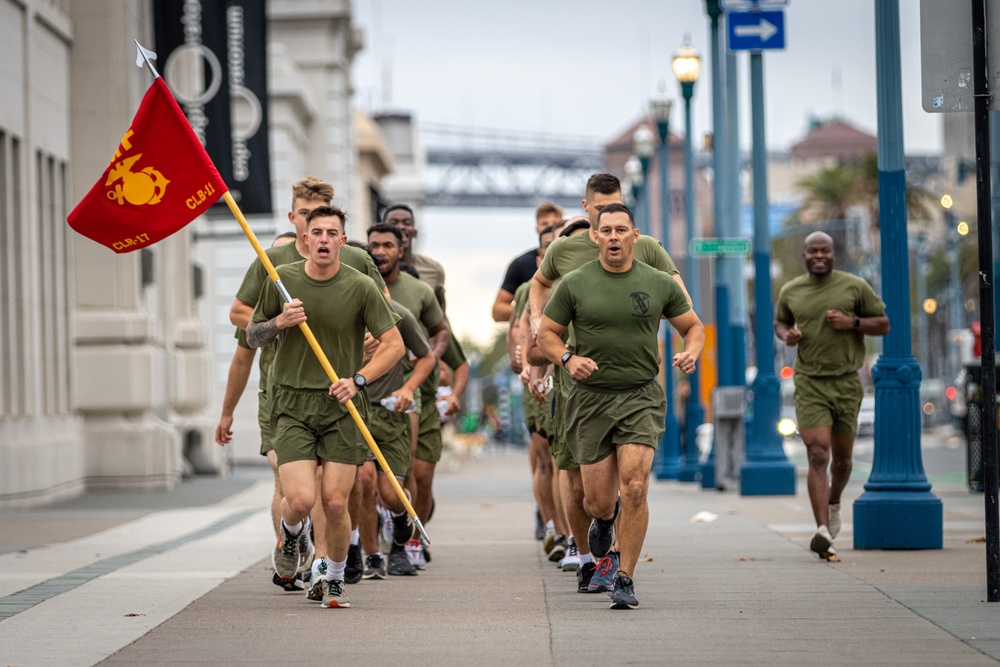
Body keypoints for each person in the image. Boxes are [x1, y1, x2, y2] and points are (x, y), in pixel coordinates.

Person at [527, 174, 689, 595]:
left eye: (620, 223)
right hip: (586, 392)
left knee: (635, 485)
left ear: (633, 232)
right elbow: (541, 303)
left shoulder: (650, 255)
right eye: (603, 219)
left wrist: (691, 345)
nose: (612, 231)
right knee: (595, 497)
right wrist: (561, 354)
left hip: (639, 391)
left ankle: (624, 576)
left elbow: (686, 312)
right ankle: (600, 526)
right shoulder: (571, 265)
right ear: (590, 218)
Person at [226, 177, 388, 592]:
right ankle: (292, 535)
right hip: (290, 399)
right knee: (297, 495)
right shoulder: (277, 270)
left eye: (331, 232)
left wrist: (361, 372)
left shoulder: (359, 276)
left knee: (334, 499)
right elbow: (248, 331)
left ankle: (328, 572)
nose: (322, 238)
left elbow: (389, 332)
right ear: (300, 228)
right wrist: (279, 322)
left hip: (341, 401)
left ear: (342, 240)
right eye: (314, 229)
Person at [773, 231, 889, 562]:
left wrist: (851, 322)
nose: (819, 255)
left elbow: (883, 323)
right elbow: (779, 322)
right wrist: (788, 335)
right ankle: (823, 530)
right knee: (817, 454)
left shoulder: (854, 286)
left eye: (825, 250)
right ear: (805, 256)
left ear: (834, 254)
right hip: (810, 381)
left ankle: (834, 501)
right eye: (813, 251)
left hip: (847, 382)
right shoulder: (791, 290)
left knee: (842, 461)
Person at [215, 231, 298, 590]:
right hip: (274, 400)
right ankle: (289, 551)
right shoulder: (259, 319)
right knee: (283, 475)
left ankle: (318, 554)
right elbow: (240, 360)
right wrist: (226, 413)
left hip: (320, 399)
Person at [368, 223, 451, 569]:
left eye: (388, 244)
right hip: (357, 396)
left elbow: (440, 332)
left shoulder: (418, 291)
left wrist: (422, 365)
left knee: (407, 475)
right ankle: (368, 551)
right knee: (362, 479)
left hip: (403, 395)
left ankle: (406, 544)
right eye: (375, 245)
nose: (381, 251)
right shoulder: (358, 287)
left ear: (401, 249)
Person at [356, 299, 437, 579]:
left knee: (391, 495)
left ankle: (400, 518)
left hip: (392, 413)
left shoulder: (399, 314)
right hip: (356, 411)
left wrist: (408, 388)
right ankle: (373, 556)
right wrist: (358, 356)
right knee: (364, 483)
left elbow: (426, 356)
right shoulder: (342, 309)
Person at [491, 202, 564, 322]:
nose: (550, 228)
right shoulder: (521, 264)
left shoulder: (577, 258)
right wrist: (532, 311)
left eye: (555, 224)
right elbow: (498, 311)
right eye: (545, 224)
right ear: (537, 229)